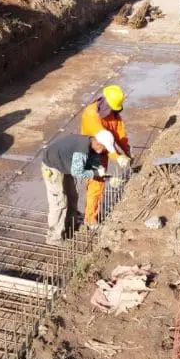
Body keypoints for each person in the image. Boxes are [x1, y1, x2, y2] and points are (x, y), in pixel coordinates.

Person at [40, 131, 117, 245]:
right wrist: (96, 173)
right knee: (59, 203)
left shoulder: (90, 143)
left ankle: (70, 224)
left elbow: (87, 164)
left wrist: (100, 171)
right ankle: (54, 237)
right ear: (98, 143)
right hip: (53, 167)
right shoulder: (82, 150)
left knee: (72, 196)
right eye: (105, 148)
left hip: (64, 165)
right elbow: (78, 172)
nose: (105, 151)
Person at [79, 85, 132, 227]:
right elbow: (104, 142)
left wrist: (127, 152)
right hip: (92, 151)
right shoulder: (91, 115)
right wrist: (117, 156)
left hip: (103, 150)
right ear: (103, 101)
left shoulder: (114, 114)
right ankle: (90, 218)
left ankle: (89, 212)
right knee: (96, 184)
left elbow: (119, 133)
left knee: (97, 184)